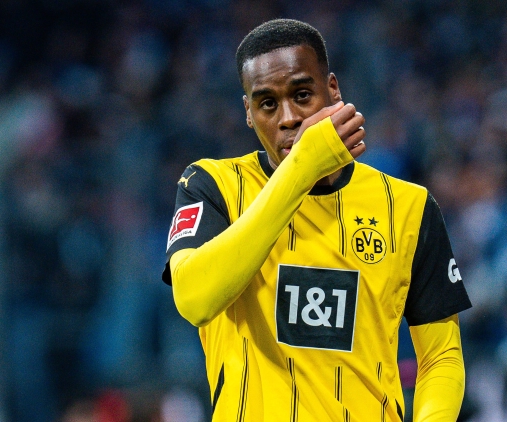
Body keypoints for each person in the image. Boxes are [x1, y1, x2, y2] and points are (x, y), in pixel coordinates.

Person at [162, 18, 471, 421]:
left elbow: (441, 357)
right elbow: (193, 299)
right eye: (267, 104)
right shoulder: (212, 185)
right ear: (248, 113)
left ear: (333, 89)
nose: (289, 117)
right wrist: (302, 168)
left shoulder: (408, 207)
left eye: (302, 94)